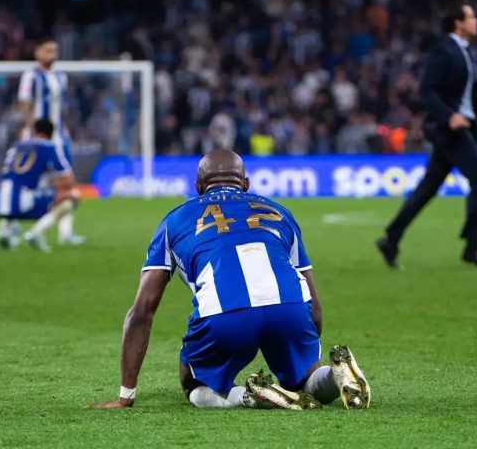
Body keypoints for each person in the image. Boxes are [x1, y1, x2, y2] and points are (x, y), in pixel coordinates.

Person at [90, 150, 371, 410]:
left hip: (224, 314)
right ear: (245, 184)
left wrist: (126, 395)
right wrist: (304, 351)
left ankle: (249, 396)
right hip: (290, 308)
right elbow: (314, 304)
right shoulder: (280, 213)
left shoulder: (174, 220)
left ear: (199, 187)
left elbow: (143, 310)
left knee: (193, 382)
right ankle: (334, 376)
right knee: (303, 382)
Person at [376, 1, 477, 269]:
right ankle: (472, 247)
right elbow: (426, 90)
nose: (476, 21)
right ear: (458, 23)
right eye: (471, 17)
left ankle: (391, 238)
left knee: (428, 189)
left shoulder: (467, 52)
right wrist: (449, 116)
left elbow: (465, 95)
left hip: (461, 127)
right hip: (449, 131)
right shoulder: (443, 50)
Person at [17, 38, 85, 246]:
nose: (53, 54)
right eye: (48, 50)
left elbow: (59, 109)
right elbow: (25, 105)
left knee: (67, 185)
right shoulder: (31, 76)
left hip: (59, 139)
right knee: (28, 183)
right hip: (38, 139)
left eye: (55, 50)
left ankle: (65, 232)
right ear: (37, 52)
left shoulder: (60, 76)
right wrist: (32, 132)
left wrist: (64, 131)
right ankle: (10, 227)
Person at [0, 118, 80, 253]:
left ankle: (4, 231)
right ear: (51, 134)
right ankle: (36, 233)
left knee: (18, 191)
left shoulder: (17, 146)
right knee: (70, 198)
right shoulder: (49, 147)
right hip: (24, 201)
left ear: (33, 132)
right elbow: (67, 180)